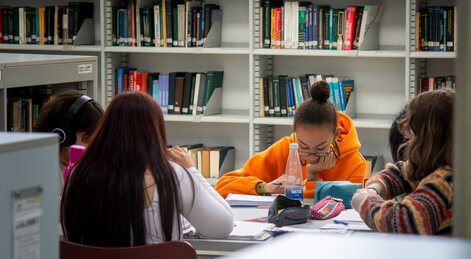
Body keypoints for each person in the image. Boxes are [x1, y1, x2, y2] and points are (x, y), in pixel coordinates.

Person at [61, 91, 234, 246]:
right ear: (155, 132)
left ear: (106, 128)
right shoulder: (172, 175)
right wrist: (191, 169)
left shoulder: (79, 172)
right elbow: (222, 226)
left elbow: (70, 232)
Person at [215, 80, 366, 199]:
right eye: (304, 147)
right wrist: (264, 187)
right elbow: (222, 187)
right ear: (294, 130)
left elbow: (335, 208)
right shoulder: (284, 148)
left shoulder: (355, 163)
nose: (311, 156)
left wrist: (313, 176)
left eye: (320, 148)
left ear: (336, 135)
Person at [351, 89, 454, 235]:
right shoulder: (442, 169)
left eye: (410, 133)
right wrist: (375, 188)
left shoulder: (444, 182)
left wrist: (365, 202)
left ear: (426, 138)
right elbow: (400, 172)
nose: (407, 139)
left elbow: (400, 222)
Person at [33, 90, 104, 196]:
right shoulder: (40, 174)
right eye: (87, 139)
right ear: (63, 135)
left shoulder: (86, 169)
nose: (94, 148)